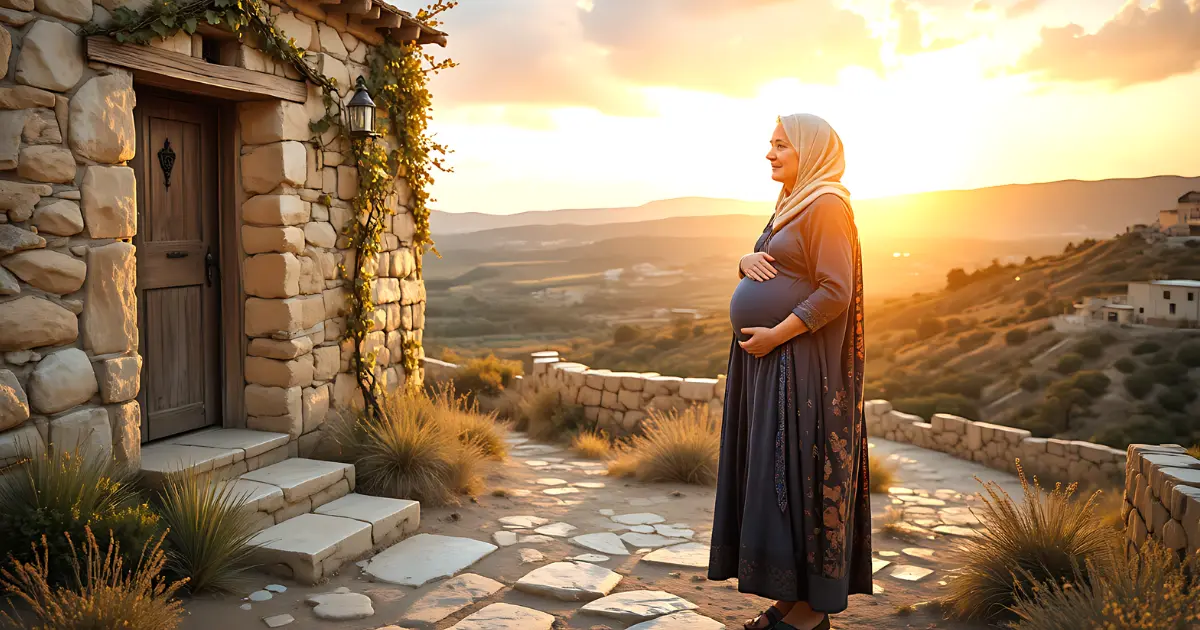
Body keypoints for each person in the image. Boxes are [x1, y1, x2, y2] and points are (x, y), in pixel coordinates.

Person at [707, 113, 871, 630]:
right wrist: (742, 261)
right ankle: (788, 602)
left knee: (795, 477)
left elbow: (835, 289)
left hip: (798, 369)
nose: (770, 153)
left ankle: (807, 616)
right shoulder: (793, 203)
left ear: (811, 151)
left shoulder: (824, 205)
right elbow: (775, 264)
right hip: (772, 366)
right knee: (774, 476)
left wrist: (776, 334)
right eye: (769, 144)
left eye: (781, 145)